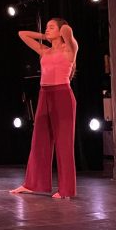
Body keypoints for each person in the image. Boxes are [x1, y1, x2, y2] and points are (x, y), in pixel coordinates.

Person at [10, 18, 78, 199]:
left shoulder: (70, 48)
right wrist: (45, 36)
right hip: (44, 94)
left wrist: (60, 30)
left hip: (62, 95)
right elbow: (21, 34)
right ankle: (32, 184)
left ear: (61, 30)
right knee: (39, 140)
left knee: (64, 144)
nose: (47, 29)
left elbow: (68, 31)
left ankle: (66, 190)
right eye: (46, 27)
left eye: (51, 27)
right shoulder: (44, 50)